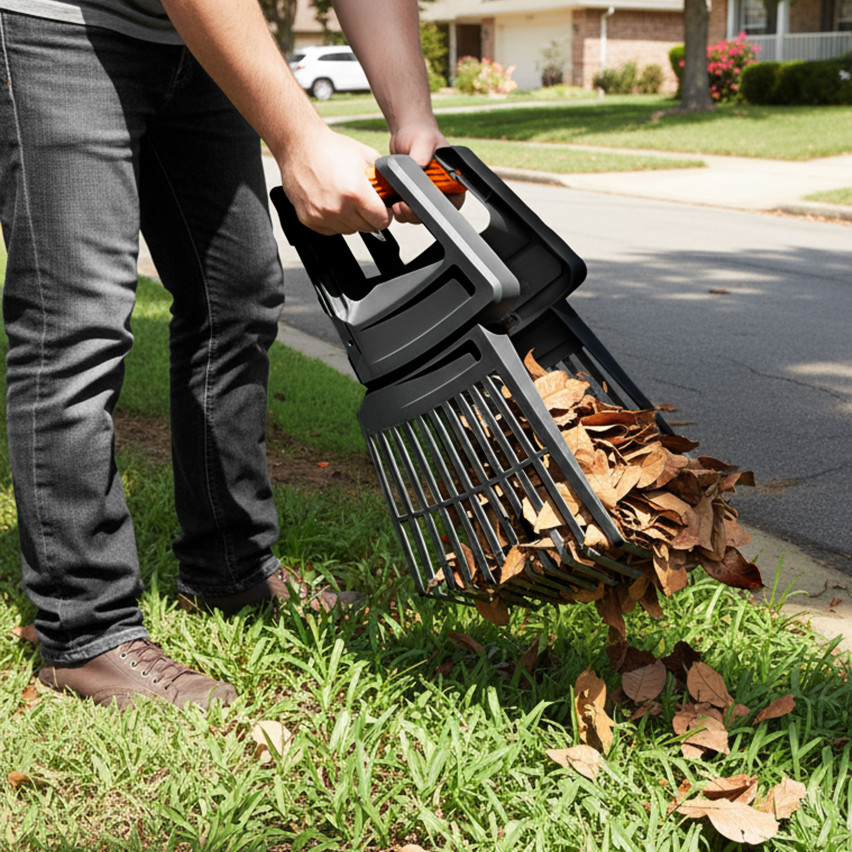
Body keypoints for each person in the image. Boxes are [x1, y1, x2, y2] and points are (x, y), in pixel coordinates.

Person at [0, 0, 450, 709]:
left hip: (199, 39)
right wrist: (297, 136)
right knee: (76, 318)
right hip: (59, 26)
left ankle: (230, 566)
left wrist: (412, 119)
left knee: (237, 294)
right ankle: (85, 629)